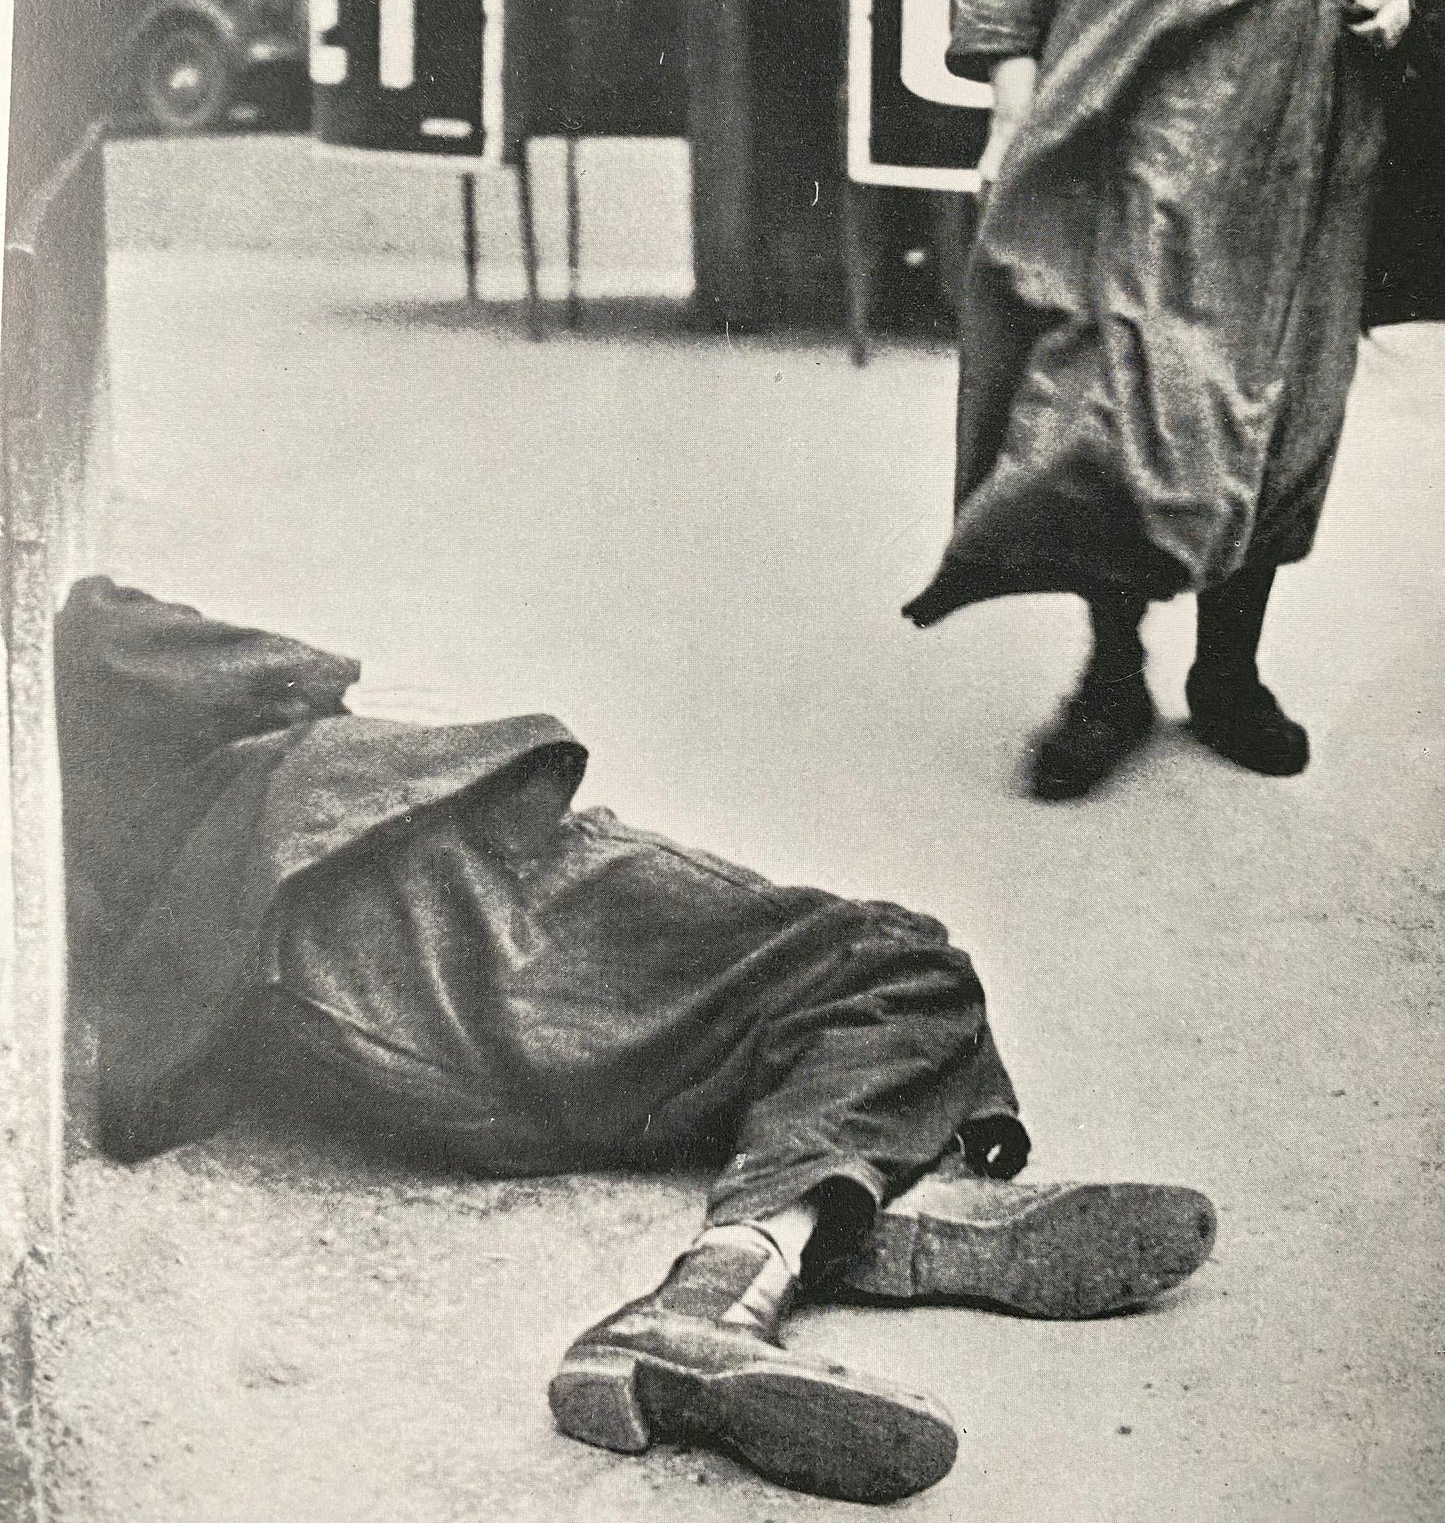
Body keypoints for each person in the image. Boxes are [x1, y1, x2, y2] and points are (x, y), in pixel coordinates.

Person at [58, 578, 1216, 1505]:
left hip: (398, 1018)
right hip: (416, 892)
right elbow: (203, 654)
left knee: (778, 1019)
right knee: (892, 962)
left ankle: (841, 1213)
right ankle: (723, 1286)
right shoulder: (116, 664)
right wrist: (326, 695)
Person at [904, 0, 1445, 801]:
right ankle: (1111, 674)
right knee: (1122, 391)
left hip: (1305, 120)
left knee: (1277, 396)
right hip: (1124, 101)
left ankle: (1227, 669)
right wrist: (1009, 113)